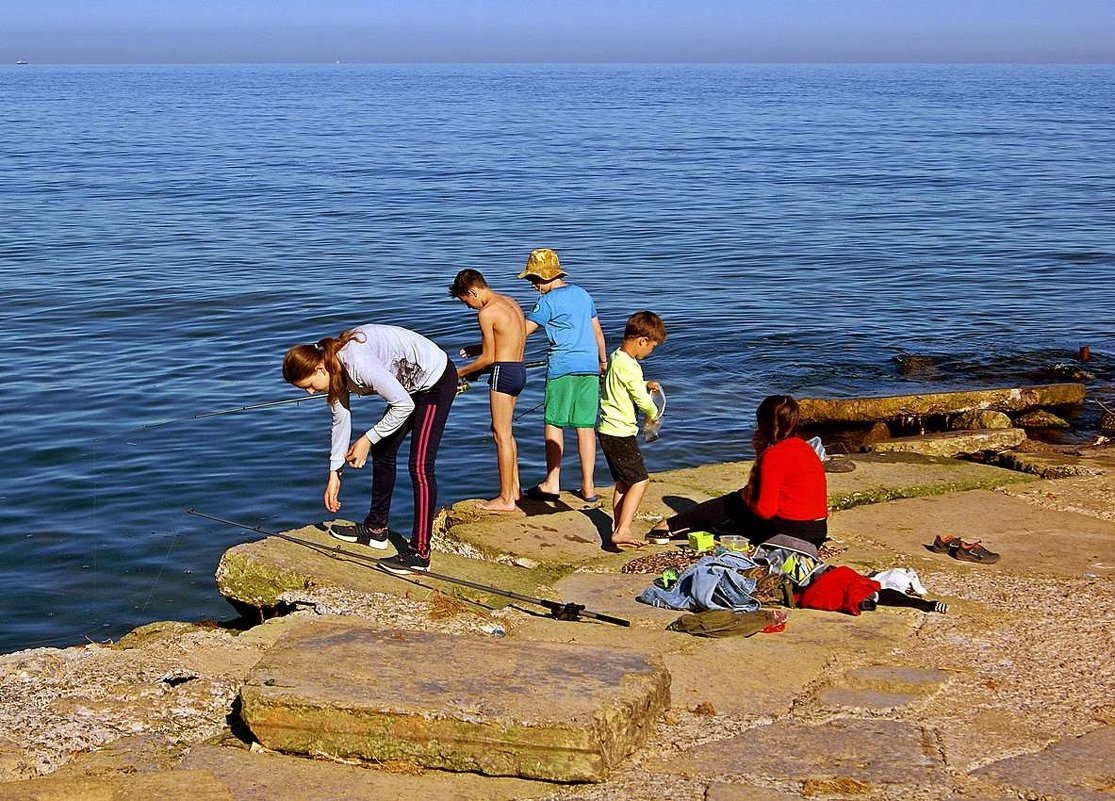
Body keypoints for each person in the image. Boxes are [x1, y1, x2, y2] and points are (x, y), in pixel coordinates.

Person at [281, 324, 457, 573]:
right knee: (384, 450)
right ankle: (376, 529)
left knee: (419, 466)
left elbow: (403, 406)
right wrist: (335, 474)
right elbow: (340, 421)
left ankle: (420, 554)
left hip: (435, 381)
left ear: (320, 368)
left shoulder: (357, 363)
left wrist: (367, 439)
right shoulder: (334, 370)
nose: (310, 392)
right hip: (408, 389)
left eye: (309, 385)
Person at [647, 395, 828, 556]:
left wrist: (748, 494)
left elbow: (765, 510)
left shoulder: (774, 455)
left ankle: (671, 526)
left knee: (733, 502)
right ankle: (676, 526)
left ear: (762, 423)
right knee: (739, 507)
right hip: (817, 531)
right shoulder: (805, 448)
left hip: (793, 533)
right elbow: (778, 482)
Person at [518, 248, 607, 503]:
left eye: (533, 279)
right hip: (589, 366)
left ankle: (552, 481)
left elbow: (523, 331)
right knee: (585, 426)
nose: (532, 285)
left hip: (562, 367)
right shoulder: (582, 294)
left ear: (544, 277)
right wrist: (602, 361)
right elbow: (598, 333)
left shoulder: (547, 301)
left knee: (554, 422)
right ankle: (588, 487)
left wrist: (489, 347)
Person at [449, 268, 528, 513]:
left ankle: (505, 499)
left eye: (466, 301)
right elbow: (511, 338)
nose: (469, 306)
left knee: (500, 434)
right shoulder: (510, 302)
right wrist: (476, 349)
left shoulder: (486, 312)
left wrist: (458, 373)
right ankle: (514, 489)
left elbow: (489, 358)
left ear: (472, 291)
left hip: (502, 374)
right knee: (507, 431)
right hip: (519, 370)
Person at [598, 311, 666, 549]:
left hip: (607, 429)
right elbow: (640, 398)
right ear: (642, 341)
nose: (651, 352)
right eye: (652, 347)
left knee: (623, 483)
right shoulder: (631, 367)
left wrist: (646, 384)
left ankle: (618, 526)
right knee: (640, 481)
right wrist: (653, 414)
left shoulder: (617, 357)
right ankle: (623, 530)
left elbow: (625, 384)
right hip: (620, 432)